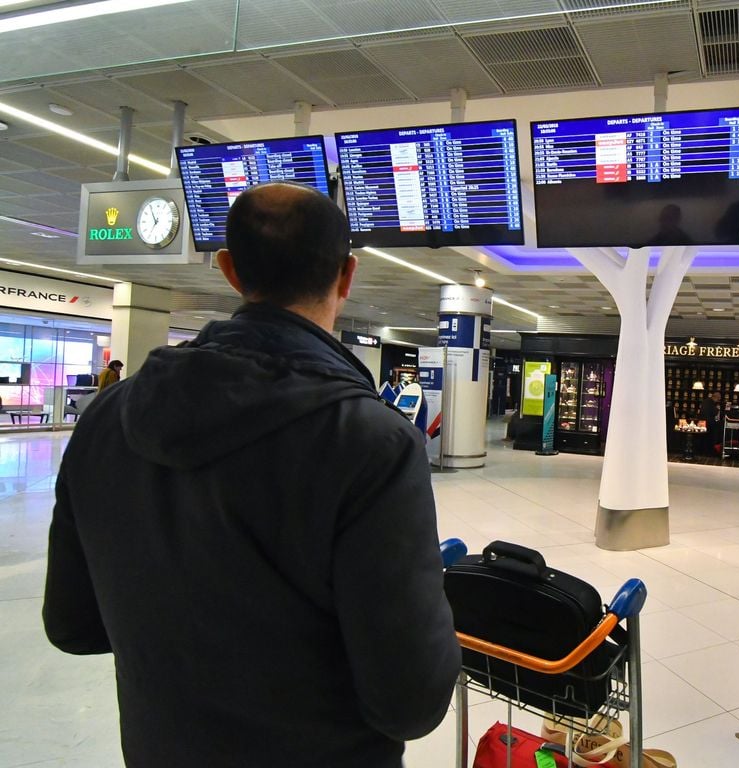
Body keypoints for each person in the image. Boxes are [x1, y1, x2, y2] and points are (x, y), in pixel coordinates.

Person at [43, 183, 461, 768]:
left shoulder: (107, 420)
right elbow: (411, 702)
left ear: (229, 269)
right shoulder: (372, 443)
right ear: (347, 277)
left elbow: (73, 624)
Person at [698, 391, 722, 455]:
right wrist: (717, 409)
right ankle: (707, 452)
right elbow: (714, 412)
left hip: (702, 422)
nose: (718, 401)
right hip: (708, 423)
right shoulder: (711, 403)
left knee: (702, 438)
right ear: (716, 397)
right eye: (718, 399)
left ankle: (701, 452)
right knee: (708, 438)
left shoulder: (706, 401)